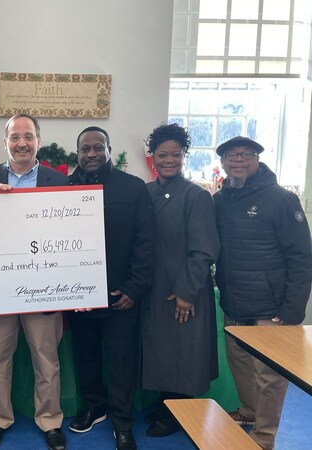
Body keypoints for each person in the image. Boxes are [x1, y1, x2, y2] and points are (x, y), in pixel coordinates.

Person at [213, 136, 312, 450]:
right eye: (231, 155)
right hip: (235, 302)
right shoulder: (220, 199)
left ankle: (264, 437)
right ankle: (249, 412)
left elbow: (301, 257)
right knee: (240, 363)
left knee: (269, 375)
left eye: (245, 154)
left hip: (271, 309)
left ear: (257, 158)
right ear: (223, 162)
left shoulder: (281, 199)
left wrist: (293, 310)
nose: (238, 160)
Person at [0, 114, 68, 450]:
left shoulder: (57, 181)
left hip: (43, 284)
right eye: (15, 136)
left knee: (46, 357)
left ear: (38, 142)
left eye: (28, 136)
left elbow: (67, 232)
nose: (22, 143)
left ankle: (50, 420)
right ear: (5, 142)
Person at [67, 126, 154, 450]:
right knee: (85, 357)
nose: (91, 154)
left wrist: (134, 288)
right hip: (77, 295)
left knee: (121, 362)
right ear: (77, 153)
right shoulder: (64, 188)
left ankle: (122, 421)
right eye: (85, 149)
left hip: (120, 296)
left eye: (97, 147)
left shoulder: (133, 188)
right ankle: (94, 406)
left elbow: (146, 244)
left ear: (108, 149)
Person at [141, 123, 220, 437]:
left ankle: (178, 413)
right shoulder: (146, 192)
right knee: (164, 349)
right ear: (153, 157)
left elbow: (204, 250)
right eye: (163, 154)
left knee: (183, 352)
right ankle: (165, 404)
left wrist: (187, 292)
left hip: (184, 288)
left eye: (176, 154)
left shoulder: (196, 196)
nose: (169, 159)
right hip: (155, 288)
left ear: (184, 156)